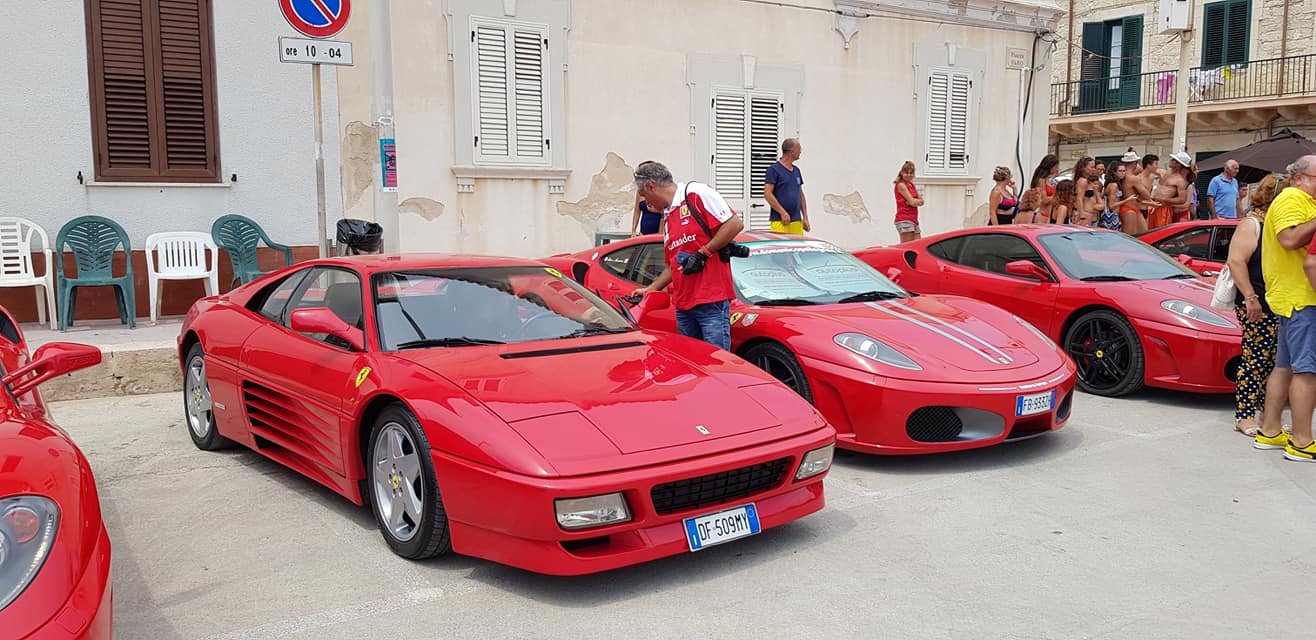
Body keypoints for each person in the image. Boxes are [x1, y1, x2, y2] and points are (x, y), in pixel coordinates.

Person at [630, 160, 744, 351]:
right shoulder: (668, 217)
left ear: (651, 187)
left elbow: (734, 224)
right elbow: (672, 264)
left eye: (644, 196)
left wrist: (703, 253)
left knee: (716, 362)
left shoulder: (695, 193)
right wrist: (651, 288)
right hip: (683, 304)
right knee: (692, 363)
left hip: (710, 300)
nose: (646, 204)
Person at [1254, 155, 1316, 461]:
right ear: (1300, 178)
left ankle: (1270, 430)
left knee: (1286, 366)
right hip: (1301, 297)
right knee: (1307, 371)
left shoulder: (1299, 199)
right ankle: (1302, 441)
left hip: (1293, 296)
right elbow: (1290, 238)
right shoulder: (1292, 198)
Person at [1225, 175, 1281, 436]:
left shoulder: (1274, 224)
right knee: (1254, 359)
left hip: (1276, 301)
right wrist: (1250, 297)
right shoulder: (1252, 224)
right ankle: (1244, 416)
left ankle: (1266, 416)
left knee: (1272, 361)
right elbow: (1236, 261)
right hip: (1256, 301)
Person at [764, 138, 810, 234]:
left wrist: (805, 217)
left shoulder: (796, 171)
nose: (800, 152)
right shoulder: (773, 170)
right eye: (799, 149)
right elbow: (767, 194)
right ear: (791, 151)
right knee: (782, 247)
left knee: (798, 248)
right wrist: (782, 213)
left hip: (796, 220)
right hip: (780, 220)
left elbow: (800, 195)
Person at [1148, 151, 1191, 228]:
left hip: (1164, 209)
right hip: (1152, 206)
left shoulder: (1180, 180)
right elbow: (1147, 168)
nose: (1170, 160)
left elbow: (1182, 199)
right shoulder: (1163, 173)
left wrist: (1164, 199)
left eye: (1173, 159)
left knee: (1159, 233)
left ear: (1178, 164)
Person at [1022, 154, 1060, 224]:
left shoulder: (1051, 180)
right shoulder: (1041, 180)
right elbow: (1044, 199)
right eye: (1056, 167)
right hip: (1044, 213)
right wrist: (1057, 195)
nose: (1057, 169)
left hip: (1051, 213)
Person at [1117, 149, 1148, 233]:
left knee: (1143, 233)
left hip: (1129, 207)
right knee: (1130, 237)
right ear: (1135, 162)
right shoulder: (1133, 178)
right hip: (1129, 209)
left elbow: (1140, 169)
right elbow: (1146, 195)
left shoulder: (1122, 175)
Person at [1101, 162, 1137, 231]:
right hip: (1111, 216)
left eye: (1124, 171)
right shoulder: (1113, 185)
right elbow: (1111, 206)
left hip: (1115, 215)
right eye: (1120, 171)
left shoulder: (1115, 183)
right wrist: (1127, 200)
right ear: (1114, 172)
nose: (1123, 173)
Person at [894, 160, 924, 241]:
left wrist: (915, 202)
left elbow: (921, 201)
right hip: (905, 219)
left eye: (911, 173)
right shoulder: (901, 185)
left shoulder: (911, 185)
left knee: (917, 246)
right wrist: (915, 201)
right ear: (902, 173)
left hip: (914, 219)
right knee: (907, 247)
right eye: (906, 172)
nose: (909, 175)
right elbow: (913, 202)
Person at [1072, 156, 1101, 226]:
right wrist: (1082, 215)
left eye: (1094, 167)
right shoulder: (1082, 181)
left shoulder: (1087, 181)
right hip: (1084, 213)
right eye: (1091, 167)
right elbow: (1079, 198)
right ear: (1083, 168)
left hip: (1089, 214)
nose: (1094, 169)